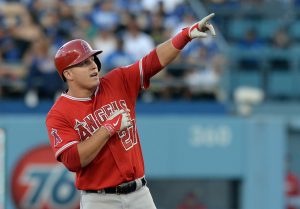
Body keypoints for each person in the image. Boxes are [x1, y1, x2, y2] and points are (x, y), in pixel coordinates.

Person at [46, 13, 216, 209]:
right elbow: (74, 161)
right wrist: (107, 128)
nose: (93, 66)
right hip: (99, 199)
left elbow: (151, 62)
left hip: (139, 194)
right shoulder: (58, 114)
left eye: (93, 60)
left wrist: (185, 35)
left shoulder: (117, 80)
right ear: (68, 74)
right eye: (84, 63)